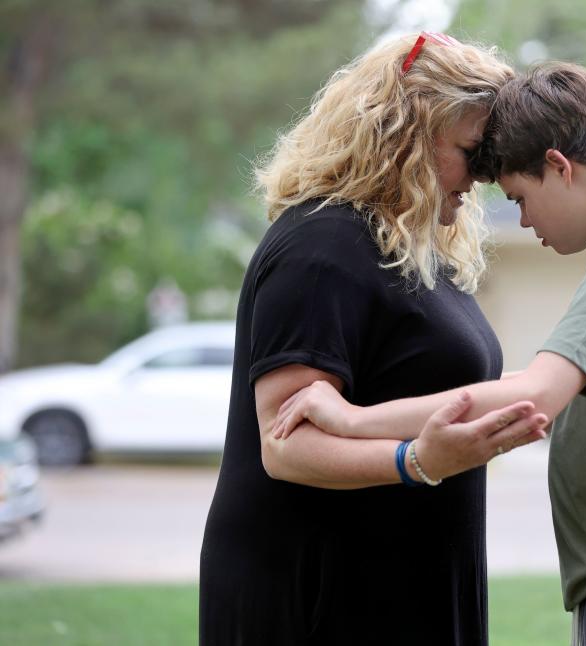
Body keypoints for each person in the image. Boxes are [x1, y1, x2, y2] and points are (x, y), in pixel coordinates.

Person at [273, 62, 586, 646]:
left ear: (558, 166)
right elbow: (535, 382)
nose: (525, 220)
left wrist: (351, 418)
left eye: (520, 197)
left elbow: (535, 395)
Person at [199, 33, 549, 646]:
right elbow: (286, 446)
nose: (484, 176)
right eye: (473, 151)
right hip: (325, 591)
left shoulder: (411, 251)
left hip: (405, 578)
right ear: (406, 132)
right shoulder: (323, 245)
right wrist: (417, 461)